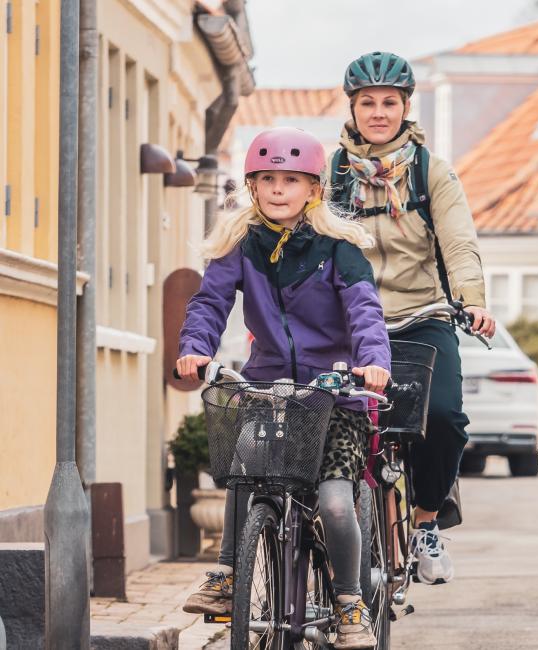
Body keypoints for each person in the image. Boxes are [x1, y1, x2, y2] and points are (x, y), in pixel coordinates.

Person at [176, 127, 391, 650]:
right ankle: (228, 575)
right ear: (252, 186)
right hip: (270, 388)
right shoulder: (241, 246)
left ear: (313, 188)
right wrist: (195, 345)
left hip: (336, 393)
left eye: (290, 180)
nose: (277, 189)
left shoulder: (339, 249)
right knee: (242, 468)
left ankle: (349, 604)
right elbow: (210, 302)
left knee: (336, 503)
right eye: (267, 178)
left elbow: (364, 310)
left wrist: (372, 363)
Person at [331, 51, 496, 585]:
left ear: (405, 107)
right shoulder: (330, 173)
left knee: (445, 419)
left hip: (421, 314)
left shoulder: (431, 172)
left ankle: (426, 521)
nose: (378, 112)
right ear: (352, 109)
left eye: (389, 102)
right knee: (327, 419)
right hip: (350, 321)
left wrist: (471, 299)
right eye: (367, 103)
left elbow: (459, 242)